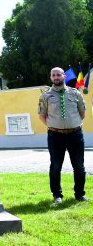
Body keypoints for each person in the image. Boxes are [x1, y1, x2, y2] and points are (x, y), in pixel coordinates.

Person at [38, 67, 88, 204]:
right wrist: (54, 125)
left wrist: (73, 123)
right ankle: (57, 195)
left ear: (64, 76)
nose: (56, 77)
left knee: (79, 165)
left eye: (58, 74)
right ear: (51, 78)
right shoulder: (45, 95)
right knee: (55, 165)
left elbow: (82, 113)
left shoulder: (75, 93)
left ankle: (80, 194)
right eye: (53, 75)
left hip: (75, 135)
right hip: (55, 135)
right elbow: (42, 115)